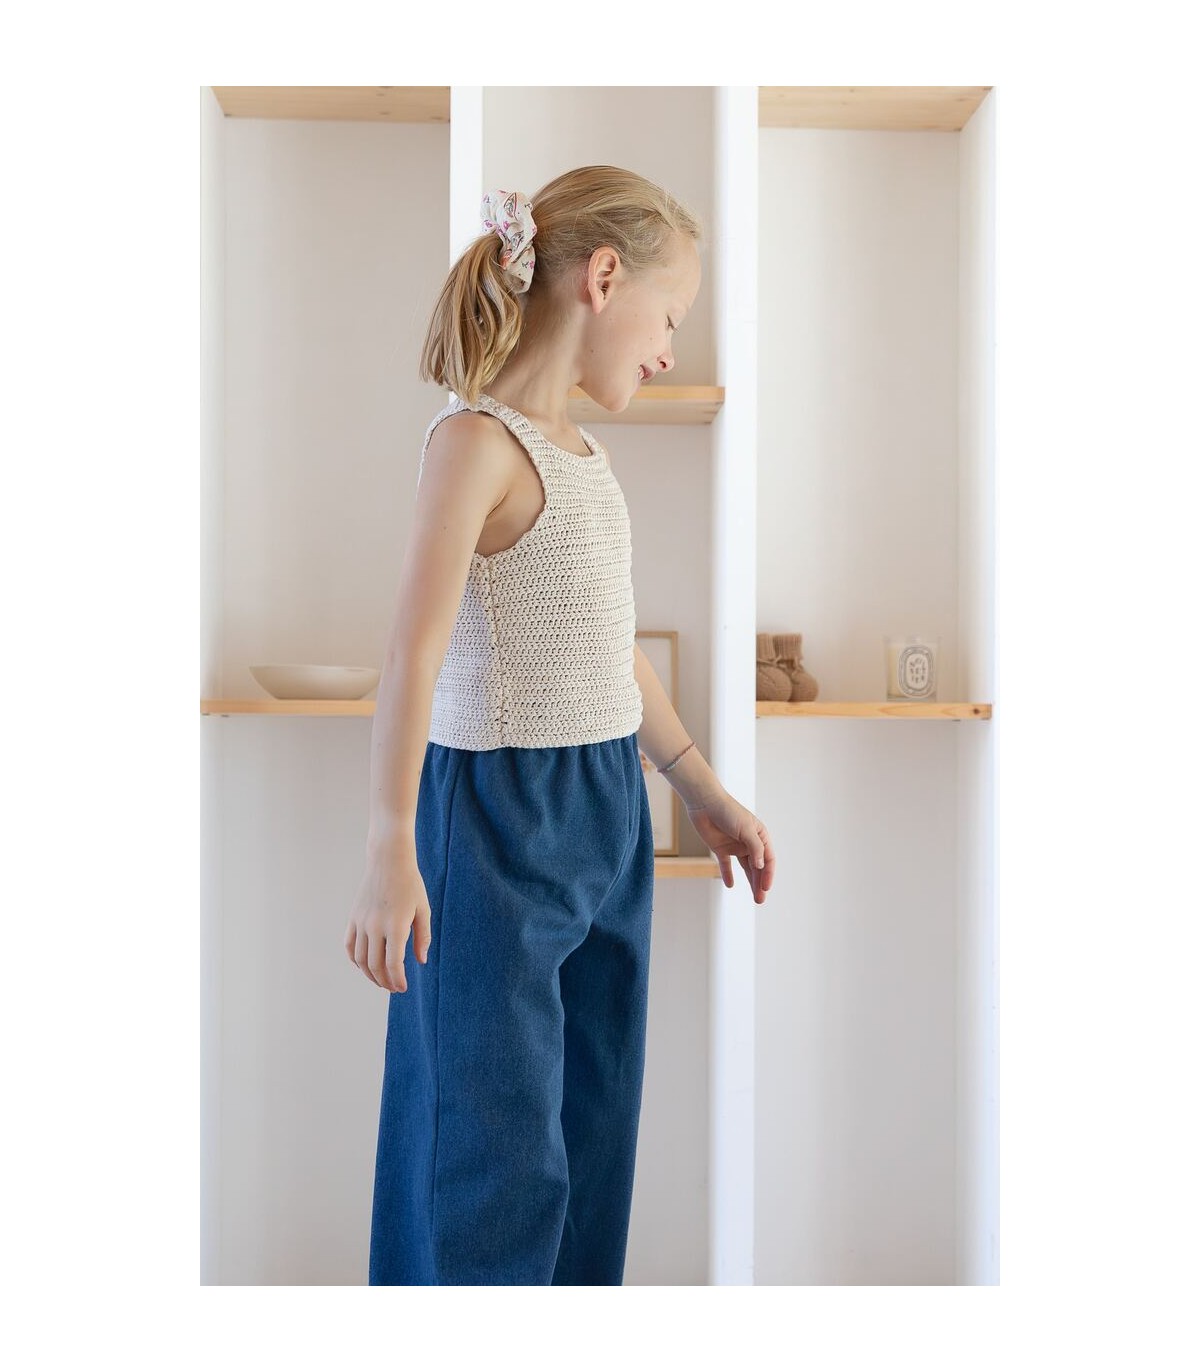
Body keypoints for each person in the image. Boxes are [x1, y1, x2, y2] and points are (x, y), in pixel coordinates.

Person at [344, 165, 775, 1286]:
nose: (670, 349)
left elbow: (610, 650)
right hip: (497, 823)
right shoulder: (473, 444)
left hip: (606, 817)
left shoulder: (587, 460)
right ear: (604, 277)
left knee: (591, 1128)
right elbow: (412, 653)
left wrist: (703, 789)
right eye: (670, 317)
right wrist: (391, 845)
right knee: (491, 1150)